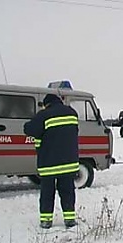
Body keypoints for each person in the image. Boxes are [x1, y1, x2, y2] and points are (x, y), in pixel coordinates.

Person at [24, 94, 79, 229]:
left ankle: (46, 221)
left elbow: (30, 130)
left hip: (49, 163)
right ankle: (70, 219)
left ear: (46, 104)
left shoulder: (44, 115)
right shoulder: (72, 113)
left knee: (47, 193)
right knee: (67, 192)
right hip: (69, 162)